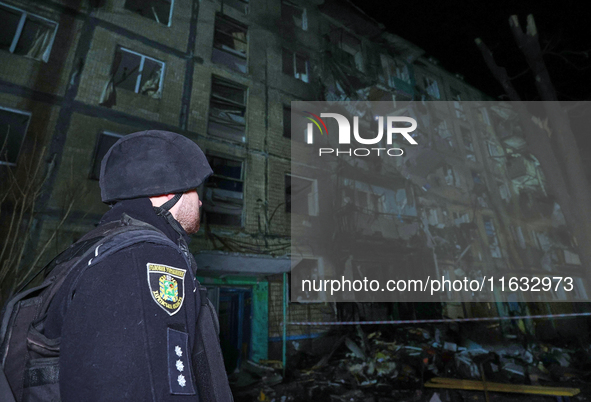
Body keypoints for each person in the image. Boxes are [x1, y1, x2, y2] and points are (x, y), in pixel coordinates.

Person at [43, 130, 233, 401]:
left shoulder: (100, 250)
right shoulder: (145, 257)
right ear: (168, 191)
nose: (200, 200)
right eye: (193, 190)